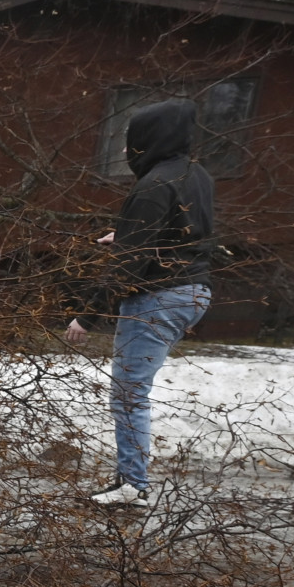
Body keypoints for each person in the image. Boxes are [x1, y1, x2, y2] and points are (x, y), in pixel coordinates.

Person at [64, 98, 216, 507]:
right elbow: (186, 232)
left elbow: (129, 265)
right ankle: (131, 481)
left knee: (129, 394)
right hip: (194, 290)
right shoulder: (195, 174)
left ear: (146, 140)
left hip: (158, 297)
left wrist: (87, 315)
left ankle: (133, 486)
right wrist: (130, 235)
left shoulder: (152, 185)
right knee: (133, 391)